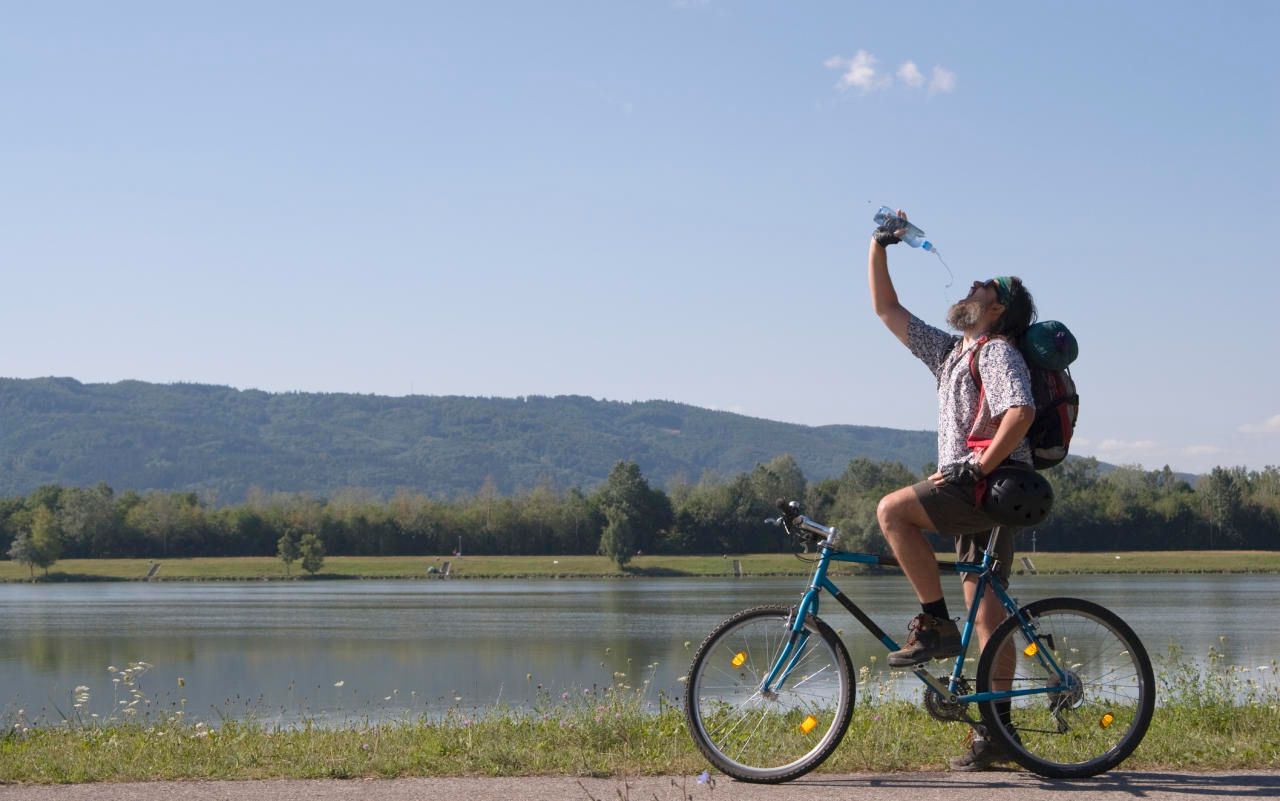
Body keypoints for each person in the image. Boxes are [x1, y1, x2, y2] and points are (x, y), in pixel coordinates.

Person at [867, 209, 1037, 770]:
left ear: (999, 309)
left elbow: (1022, 410)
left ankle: (935, 624)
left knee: (893, 512)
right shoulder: (951, 354)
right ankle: (998, 735)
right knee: (988, 615)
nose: (970, 286)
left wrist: (979, 464)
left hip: (985, 488)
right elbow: (887, 311)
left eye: (982, 288)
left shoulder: (997, 350)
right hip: (979, 490)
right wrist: (879, 246)